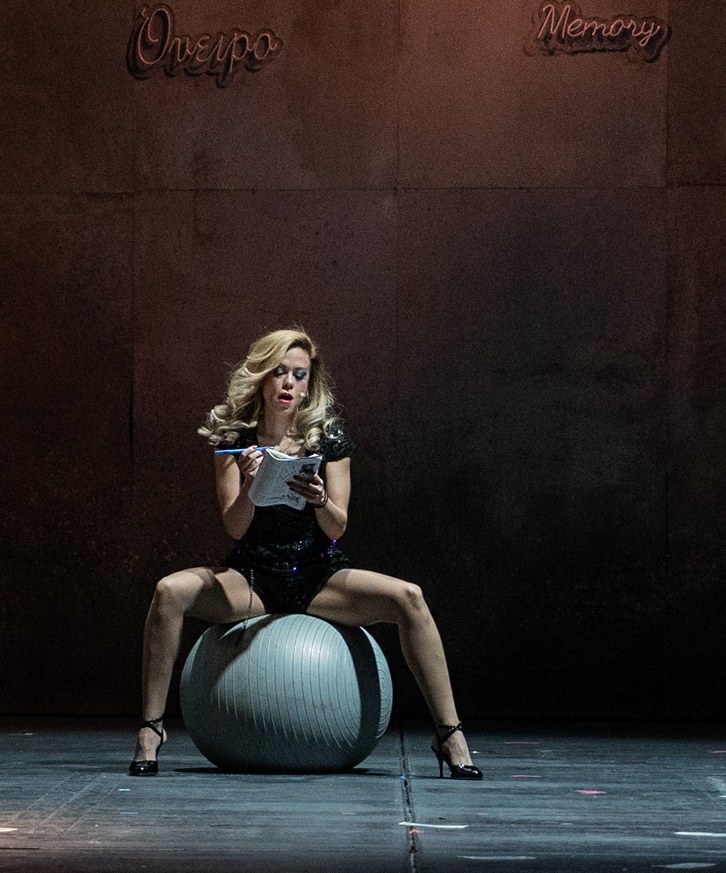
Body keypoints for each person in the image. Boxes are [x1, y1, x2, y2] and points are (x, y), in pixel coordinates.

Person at [128, 327, 481, 781]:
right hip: (253, 576)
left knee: (409, 597)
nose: (289, 383)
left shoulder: (327, 438)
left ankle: (449, 734)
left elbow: (337, 527)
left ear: (309, 383)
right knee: (168, 591)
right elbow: (234, 526)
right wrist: (251, 484)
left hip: (317, 575)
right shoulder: (235, 439)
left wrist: (320, 500)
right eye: (280, 372)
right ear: (262, 377)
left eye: (300, 374)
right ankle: (151, 730)